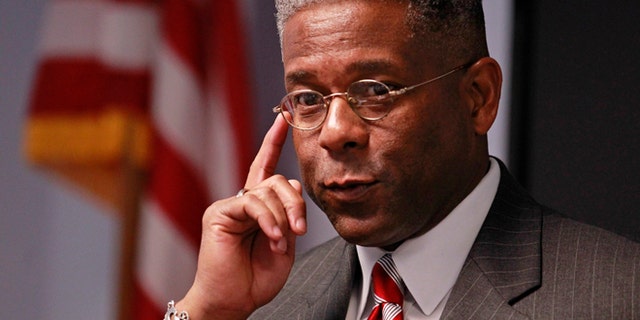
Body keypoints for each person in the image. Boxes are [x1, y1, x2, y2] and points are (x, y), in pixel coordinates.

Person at [170, 0, 640, 319]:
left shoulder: (619, 297)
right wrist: (206, 311)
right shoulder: (263, 306)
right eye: (309, 98)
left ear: (478, 97)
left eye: (376, 91)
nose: (335, 133)